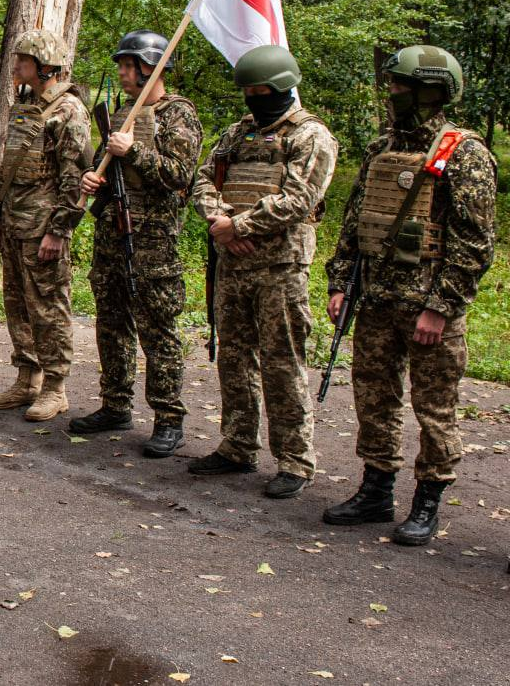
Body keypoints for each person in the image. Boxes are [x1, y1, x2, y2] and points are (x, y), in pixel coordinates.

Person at [322, 45, 496, 545]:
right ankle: (376, 490)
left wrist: (440, 308)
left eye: (400, 85)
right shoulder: (381, 149)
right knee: (374, 400)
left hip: (426, 307)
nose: (391, 92)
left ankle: (428, 501)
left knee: (433, 408)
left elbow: (474, 243)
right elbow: (355, 223)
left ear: (429, 91)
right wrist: (339, 282)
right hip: (376, 300)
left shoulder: (463, 153)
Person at [189, 45, 338, 499]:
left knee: (281, 363)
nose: (254, 100)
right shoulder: (238, 134)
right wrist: (222, 224)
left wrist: (239, 224)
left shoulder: (310, 136)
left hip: (280, 268)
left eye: (261, 92)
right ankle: (237, 445)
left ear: (283, 88)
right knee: (233, 356)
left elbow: (299, 199)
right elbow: (202, 179)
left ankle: (295, 459)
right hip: (233, 263)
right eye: (248, 93)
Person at [70, 30, 203, 458]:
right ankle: (115, 404)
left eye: (131, 66)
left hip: (153, 244)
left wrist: (134, 153)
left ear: (152, 67)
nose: (124, 74)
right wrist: (95, 179)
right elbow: (106, 170)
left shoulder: (177, 114)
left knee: (158, 330)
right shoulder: (122, 114)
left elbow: (180, 175)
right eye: (122, 67)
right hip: (112, 236)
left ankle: (168, 418)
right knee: (111, 325)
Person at [0, 29, 92, 422]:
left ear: (45, 66)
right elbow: (8, 167)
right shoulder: (25, 104)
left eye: (23, 60)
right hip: (15, 221)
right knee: (16, 304)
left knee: (49, 308)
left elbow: (75, 178)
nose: (15, 66)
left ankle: (55, 387)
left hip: (43, 226)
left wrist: (59, 230)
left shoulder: (67, 110)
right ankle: (26, 377)